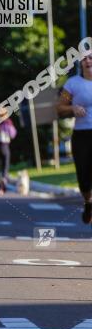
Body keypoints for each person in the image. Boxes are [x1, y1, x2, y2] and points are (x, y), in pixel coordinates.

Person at [56, 54, 92, 223]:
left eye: (91, 57)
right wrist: (72, 108)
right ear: (81, 62)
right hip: (82, 135)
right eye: (85, 58)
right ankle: (88, 203)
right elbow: (60, 108)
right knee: (84, 177)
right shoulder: (73, 83)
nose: (88, 61)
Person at [0, 108, 17, 195]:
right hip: (4, 146)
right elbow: (13, 134)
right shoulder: (8, 123)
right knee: (5, 167)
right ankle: (3, 186)